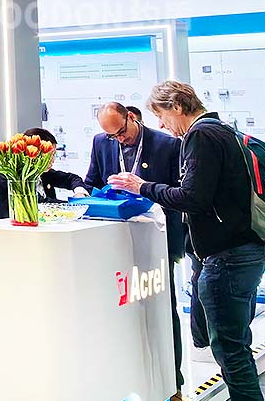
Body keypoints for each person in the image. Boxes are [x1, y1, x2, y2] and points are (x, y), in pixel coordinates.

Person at [110, 81, 265, 401]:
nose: (162, 125)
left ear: (177, 106)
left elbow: (193, 197)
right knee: (236, 346)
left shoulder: (200, 135)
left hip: (226, 256)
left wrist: (142, 187)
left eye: (162, 115)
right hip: (244, 250)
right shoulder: (223, 130)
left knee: (231, 352)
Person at [86, 101, 188, 391]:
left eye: (121, 132)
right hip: (115, 242)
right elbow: (92, 181)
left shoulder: (167, 145)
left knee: (163, 311)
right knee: (121, 313)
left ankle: (173, 381)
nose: (119, 140)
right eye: (113, 136)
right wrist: (99, 194)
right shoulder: (101, 142)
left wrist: (142, 189)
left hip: (157, 240)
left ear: (131, 117)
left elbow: (180, 193)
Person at [0, 127, 88, 218]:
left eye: (54, 155)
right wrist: (75, 206)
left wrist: (79, 192)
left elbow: (71, 179)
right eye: (49, 155)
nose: (52, 160)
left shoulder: (44, 173)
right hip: (4, 227)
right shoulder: (11, 176)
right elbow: (42, 203)